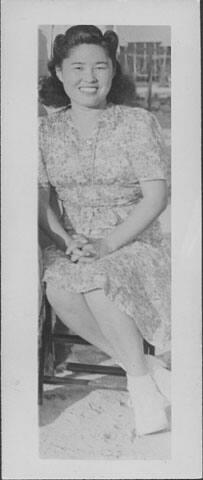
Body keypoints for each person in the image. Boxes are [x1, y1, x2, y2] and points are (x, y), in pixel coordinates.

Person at [38, 25, 171, 436]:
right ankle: (147, 368)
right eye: (77, 67)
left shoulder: (136, 122)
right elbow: (40, 201)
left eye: (100, 66)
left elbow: (155, 197)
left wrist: (107, 243)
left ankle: (142, 389)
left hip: (131, 239)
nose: (89, 77)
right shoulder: (44, 131)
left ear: (114, 71)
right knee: (58, 286)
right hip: (75, 241)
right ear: (59, 73)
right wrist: (65, 239)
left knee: (97, 281)